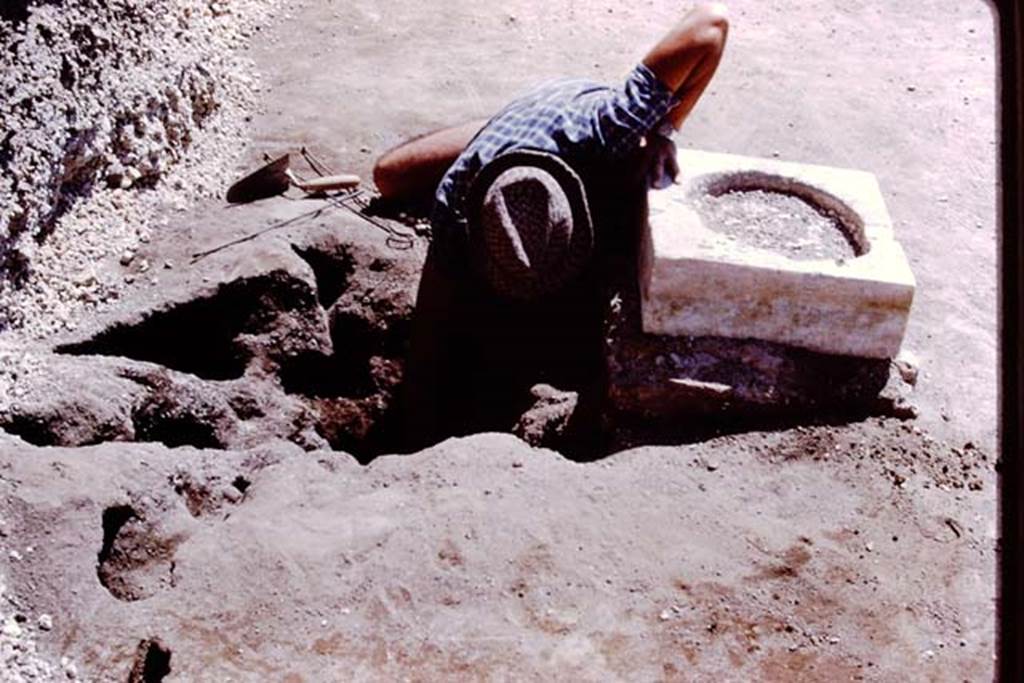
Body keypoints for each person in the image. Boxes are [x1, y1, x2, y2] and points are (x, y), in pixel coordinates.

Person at [374, 3, 730, 450]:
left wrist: (666, 129)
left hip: (553, 115)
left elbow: (710, 22)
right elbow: (425, 354)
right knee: (389, 176)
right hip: (508, 129)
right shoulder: (454, 205)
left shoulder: (611, 126)